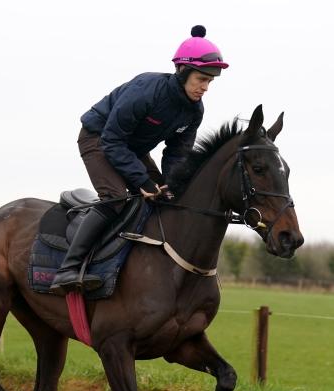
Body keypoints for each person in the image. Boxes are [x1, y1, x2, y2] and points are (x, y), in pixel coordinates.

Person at [50, 25, 229, 294]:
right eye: (201, 79)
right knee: (116, 198)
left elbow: (177, 153)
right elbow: (112, 140)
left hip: (130, 148)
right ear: (182, 71)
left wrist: (171, 183)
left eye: (209, 82)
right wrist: (141, 180)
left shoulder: (195, 110)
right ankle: (67, 269)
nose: (205, 87)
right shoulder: (147, 90)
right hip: (98, 139)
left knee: (165, 197)